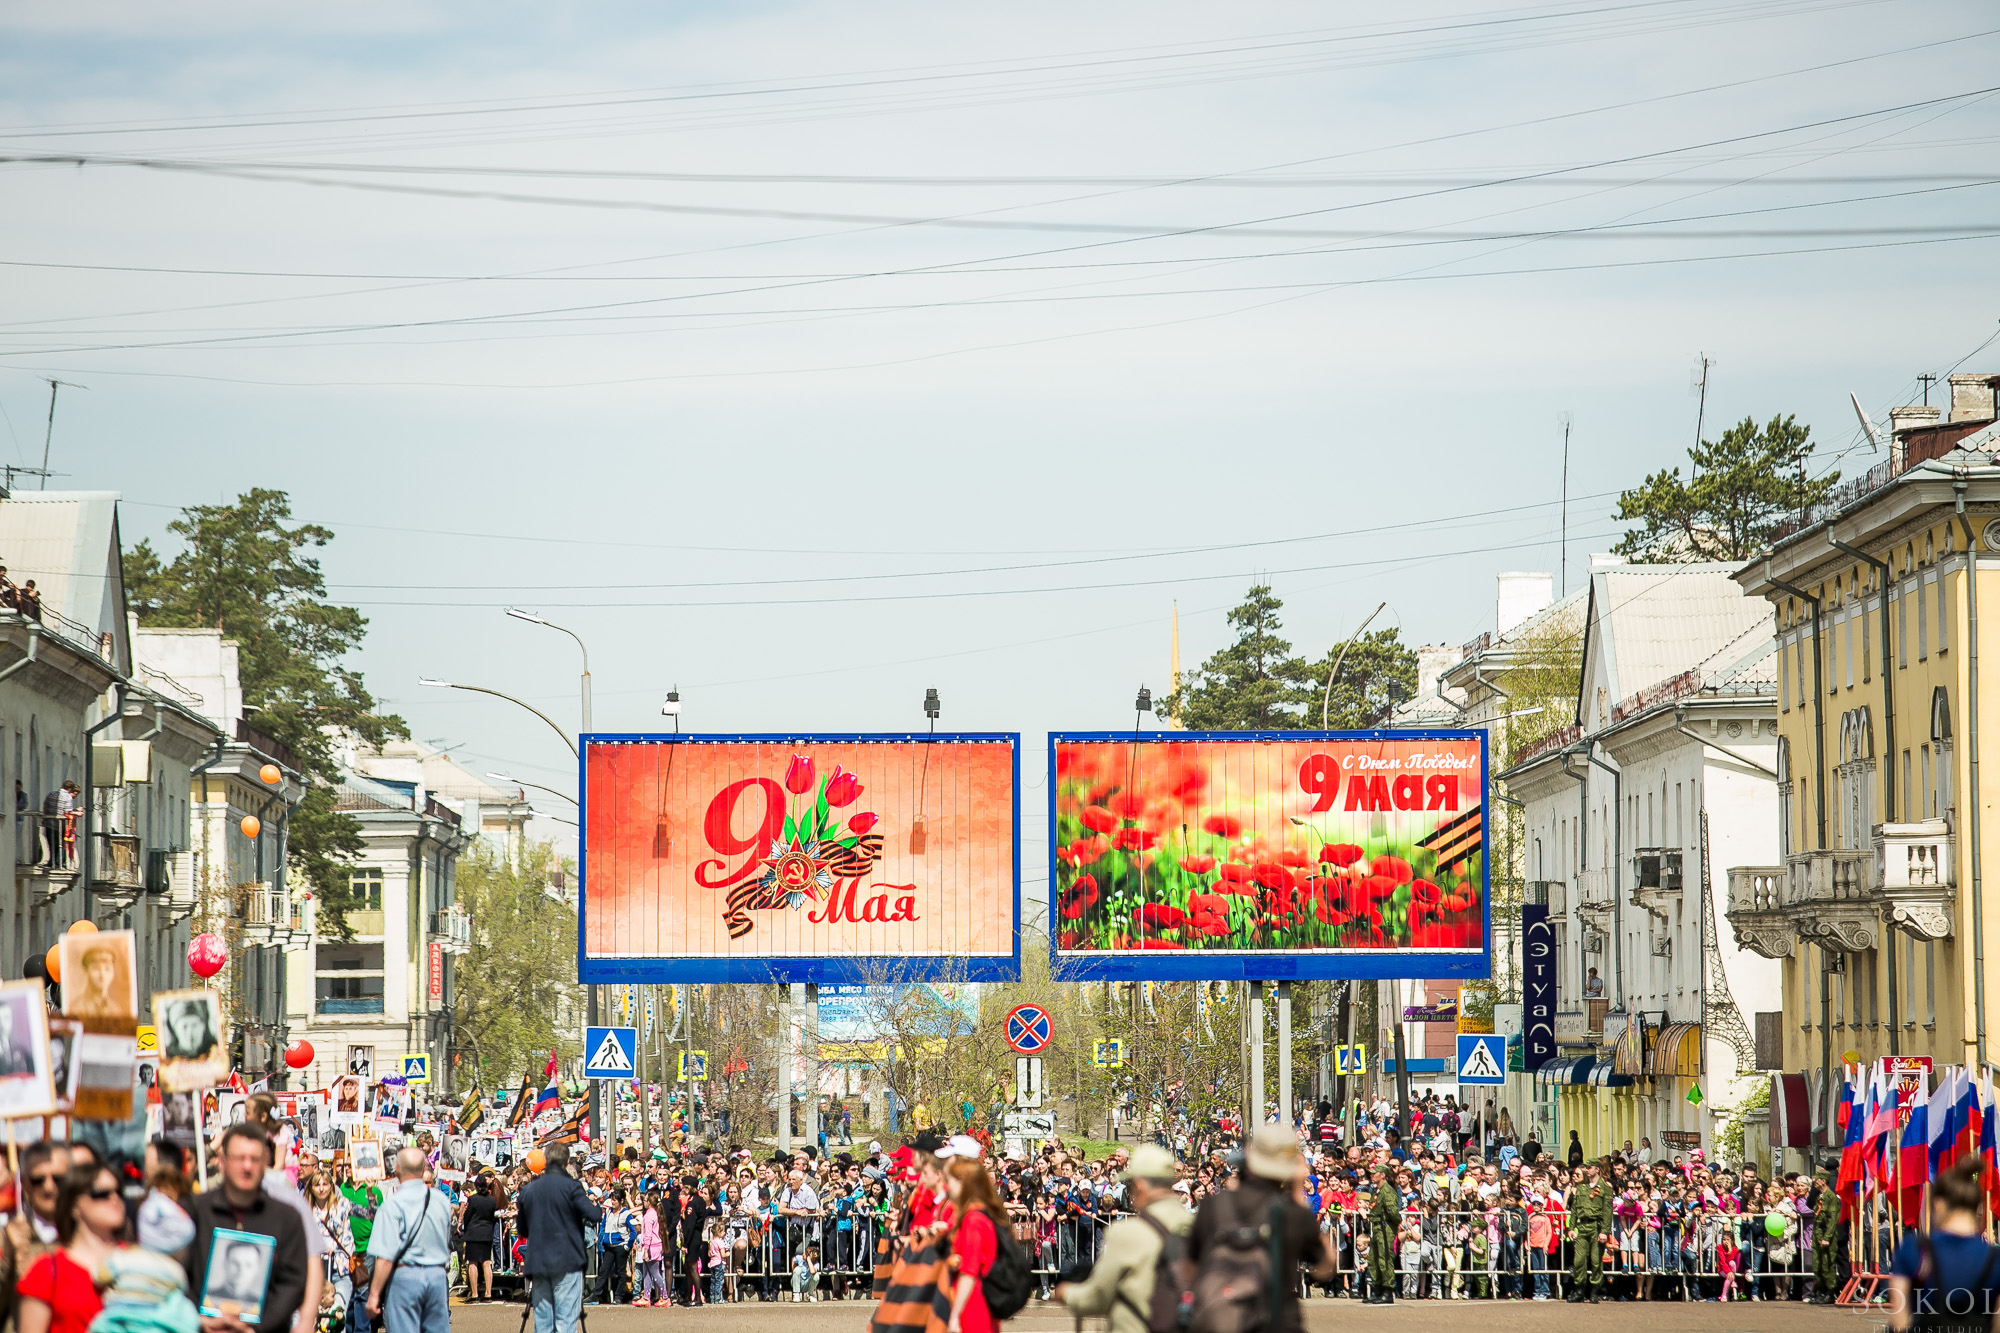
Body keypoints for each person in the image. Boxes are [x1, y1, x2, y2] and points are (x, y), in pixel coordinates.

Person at [1189, 1125, 1333, 1333]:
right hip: (1279, 1321)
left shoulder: (1215, 1205)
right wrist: (1296, 1197)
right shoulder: (1293, 1215)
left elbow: (1191, 1263)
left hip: (1223, 1319)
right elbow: (1325, 1267)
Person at [188, 1124, 311, 1333]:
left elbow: (293, 1283)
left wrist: (257, 1328)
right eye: (239, 1158)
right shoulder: (195, 1211)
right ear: (222, 1161)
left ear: (265, 1163)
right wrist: (199, 1320)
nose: (247, 1166)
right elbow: (179, 1274)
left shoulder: (287, 1218)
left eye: (254, 1159)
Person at [1056, 1145, 1191, 1333]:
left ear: (1140, 1185)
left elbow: (1099, 1297)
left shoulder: (1128, 1232)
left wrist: (1066, 1293)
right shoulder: (1196, 1225)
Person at [1887, 1157, 2000, 1330]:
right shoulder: (1995, 1259)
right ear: (1977, 1207)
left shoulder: (1914, 1249)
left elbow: (1899, 1320)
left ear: (1938, 1204)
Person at [15, 1160, 127, 1333]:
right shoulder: (47, 1272)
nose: (114, 1198)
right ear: (75, 1205)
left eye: (118, 1191)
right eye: (101, 1193)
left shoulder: (138, 1259)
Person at [517, 1142, 604, 1333]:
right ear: (566, 1162)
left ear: (546, 1160)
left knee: (543, 1322)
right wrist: (597, 1205)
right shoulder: (572, 1187)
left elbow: (522, 1229)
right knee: (565, 1321)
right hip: (567, 1260)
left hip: (539, 1260)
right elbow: (594, 1215)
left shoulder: (529, 1190)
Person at [365, 1147, 452, 1333]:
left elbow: (385, 1257)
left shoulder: (391, 1206)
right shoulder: (441, 1201)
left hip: (405, 1277)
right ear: (423, 1170)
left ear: (397, 1169)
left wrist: (374, 1295)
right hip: (436, 1275)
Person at [939, 1149, 1005, 1333]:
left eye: (950, 1181)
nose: (946, 1186)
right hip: (971, 1298)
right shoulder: (973, 1214)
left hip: (973, 1303)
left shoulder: (974, 1219)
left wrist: (954, 1316)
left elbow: (970, 1271)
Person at [1568, 1158, 1613, 1303]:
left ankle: (1594, 1291)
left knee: (1595, 1261)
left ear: (1597, 1169)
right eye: (1587, 1167)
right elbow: (1574, 1209)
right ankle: (1579, 1290)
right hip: (1582, 1226)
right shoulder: (1582, 1188)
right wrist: (1571, 1227)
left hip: (1596, 1226)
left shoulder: (1605, 1188)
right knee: (1579, 1260)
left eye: (1591, 1167)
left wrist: (1604, 1231)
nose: (1588, 1170)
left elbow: (1607, 1211)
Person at [456, 1176, 498, 1303]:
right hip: (486, 1232)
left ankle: (474, 1294)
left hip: (473, 1233)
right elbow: (491, 1217)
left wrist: (465, 1227)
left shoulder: (472, 1199)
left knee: (473, 1262)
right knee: (486, 1262)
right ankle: (488, 1293)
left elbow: (467, 1217)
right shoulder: (492, 1200)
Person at [67, 939, 130, 1018]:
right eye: (96, 969)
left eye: (107, 969)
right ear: (87, 971)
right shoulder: (76, 1009)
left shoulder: (116, 1009)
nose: (102, 975)